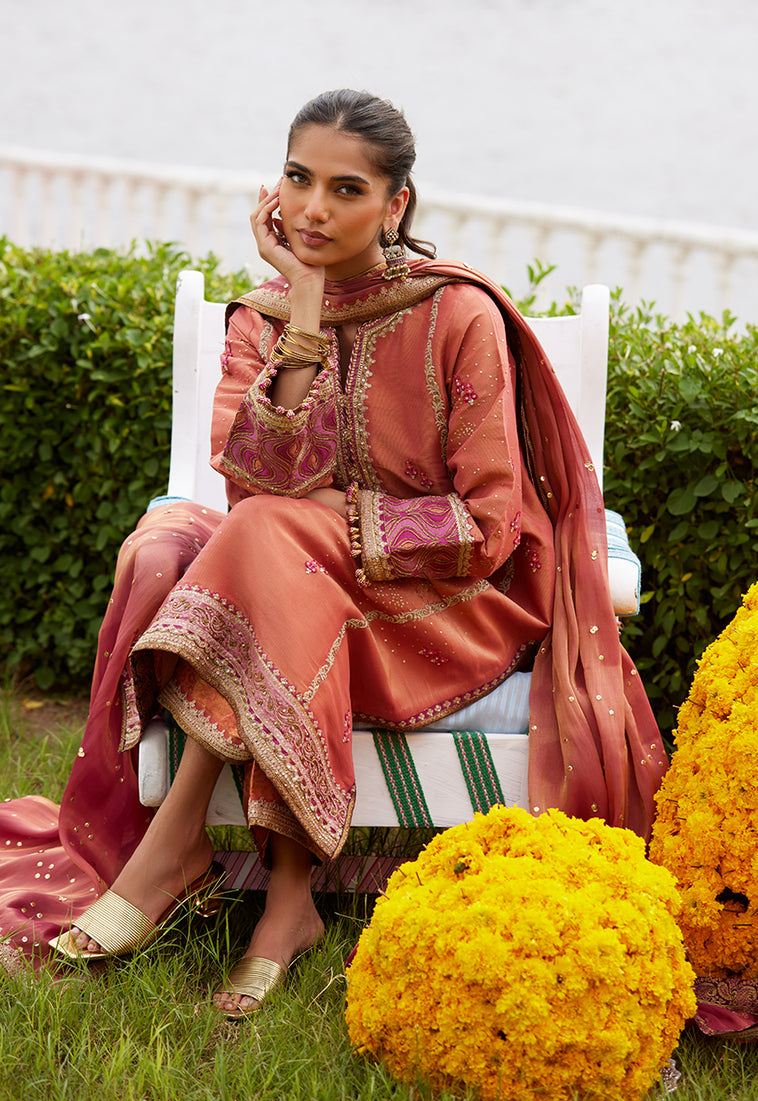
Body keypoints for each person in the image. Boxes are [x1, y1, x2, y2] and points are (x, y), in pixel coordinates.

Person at [0, 89, 667, 1016]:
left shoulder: (458, 317)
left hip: (446, 608)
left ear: (396, 203)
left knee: (282, 539)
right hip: (293, 595)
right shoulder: (263, 318)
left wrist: (342, 523)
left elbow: (488, 523)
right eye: (298, 178)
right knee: (265, 543)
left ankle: (176, 849)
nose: (313, 208)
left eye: (346, 189)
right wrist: (304, 314)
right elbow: (252, 490)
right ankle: (284, 905)